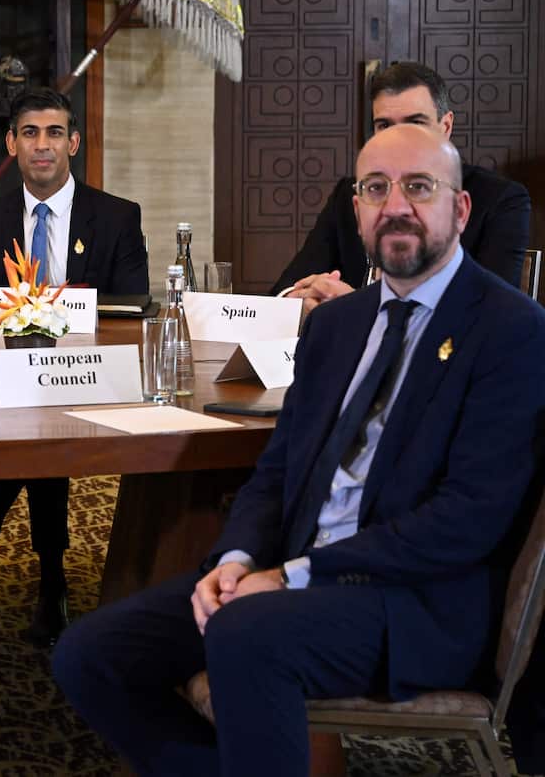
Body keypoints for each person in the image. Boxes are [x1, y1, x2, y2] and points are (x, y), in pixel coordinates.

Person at [51, 123, 545, 776]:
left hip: (415, 602)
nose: (396, 205)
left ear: (459, 209)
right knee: (88, 653)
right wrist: (237, 557)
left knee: (245, 637)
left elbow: (466, 521)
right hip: (291, 574)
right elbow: (278, 470)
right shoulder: (337, 325)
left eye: (419, 187)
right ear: (359, 213)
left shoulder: (511, 329)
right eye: (376, 189)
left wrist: (289, 577)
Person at [0, 87, 149, 648]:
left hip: (95, 369)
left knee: (42, 411)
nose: (42, 145)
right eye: (29, 133)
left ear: (73, 143)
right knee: (37, 412)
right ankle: (50, 582)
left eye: (54, 133)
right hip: (14, 373)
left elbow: (130, 306)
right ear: (11, 144)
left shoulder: (118, 216)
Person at [272, 61, 530, 312]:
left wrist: (358, 309)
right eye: (384, 125)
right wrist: (302, 298)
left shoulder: (499, 199)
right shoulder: (349, 192)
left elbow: (493, 312)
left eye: (415, 123)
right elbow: (286, 288)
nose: (398, 137)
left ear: (446, 126)